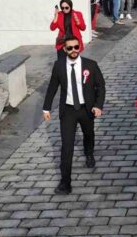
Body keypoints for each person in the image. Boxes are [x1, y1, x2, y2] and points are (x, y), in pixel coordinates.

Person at [42, 36, 105, 195]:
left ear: (80, 47)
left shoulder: (90, 65)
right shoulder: (59, 66)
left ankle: (89, 153)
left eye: (76, 47)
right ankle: (65, 183)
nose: (73, 50)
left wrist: (98, 106)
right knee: (67, 146)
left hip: (86, 109)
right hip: (68, 110)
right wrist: (46, 108)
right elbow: (52, 87)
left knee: (88, 134)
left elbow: (101, 86)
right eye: (69, 48)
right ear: (64, 49)